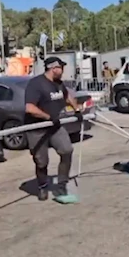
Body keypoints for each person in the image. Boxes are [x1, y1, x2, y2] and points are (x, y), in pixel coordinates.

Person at [24, 57, 83, 204]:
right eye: (61, 68)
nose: (62, 71)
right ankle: (42, 186)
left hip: (55, 126)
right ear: (54, 68)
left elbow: (67, 96)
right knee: (41, 161)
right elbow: (30, 108)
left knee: (67, 150)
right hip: (37, 129)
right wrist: (48, 117)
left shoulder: (58, 84)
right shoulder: (36, 84)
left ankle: (61, 185)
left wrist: (76, 108)